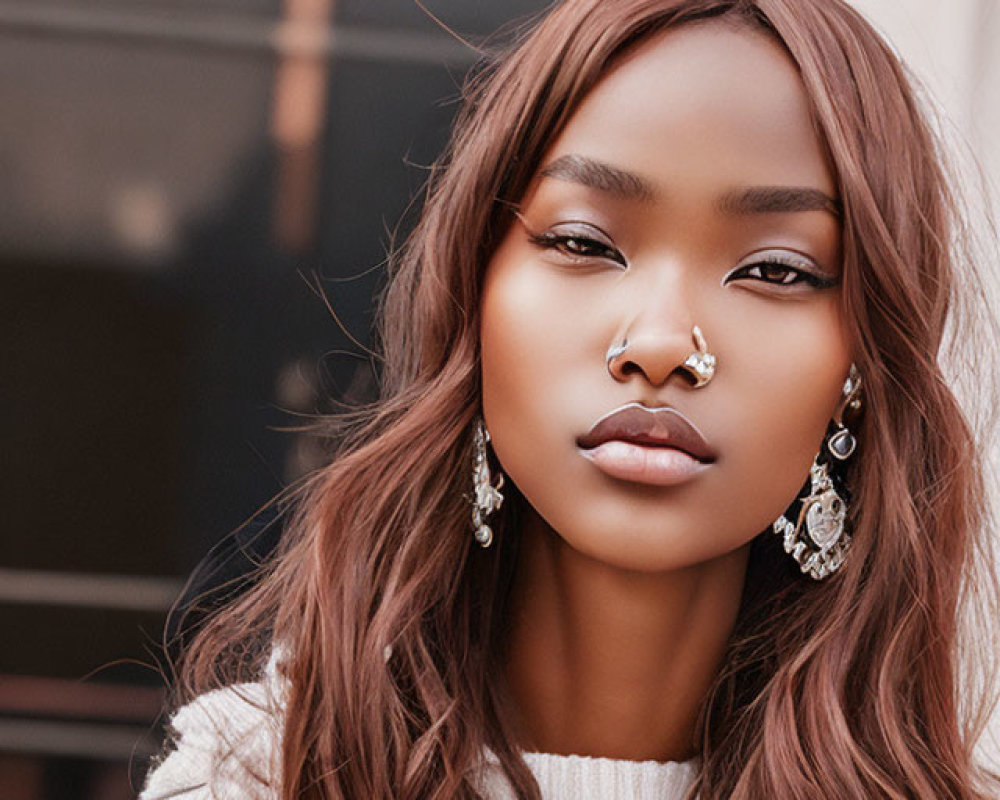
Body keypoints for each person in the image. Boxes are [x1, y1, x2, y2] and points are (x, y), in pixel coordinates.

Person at [141, 0, 1000, 797]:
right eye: (583, 242)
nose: (662, 344)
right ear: (473, 302)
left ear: (861, 367)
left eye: (776, 269)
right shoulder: (267, 778)